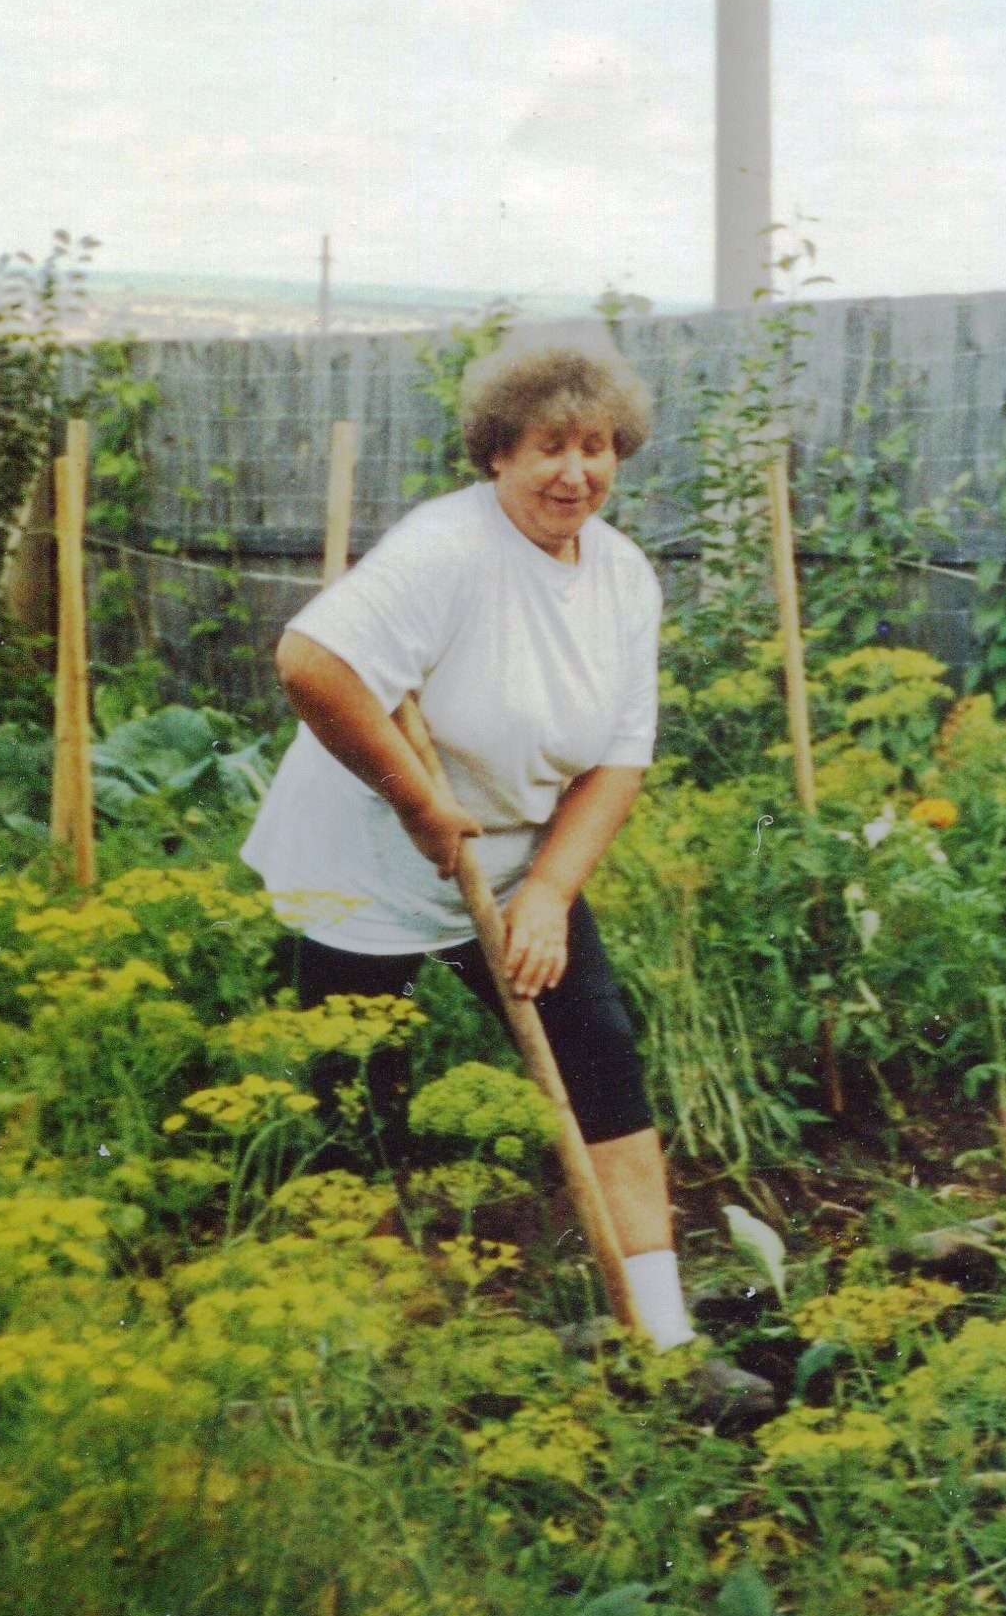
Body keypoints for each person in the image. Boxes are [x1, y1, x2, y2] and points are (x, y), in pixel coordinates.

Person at [241, 334, 696, 1351]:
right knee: (363, 1104)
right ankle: (378, 1346)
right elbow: (310, 662)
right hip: (367, 865)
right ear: (497, 452)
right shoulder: (445, 550)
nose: (575, 472)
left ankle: (665, 1336)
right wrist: (414, 802)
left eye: (595, 446)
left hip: (516, 862)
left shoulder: (623, 576)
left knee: (602, 1062)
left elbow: (620, 757)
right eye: (548, 447)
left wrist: (551, 891)